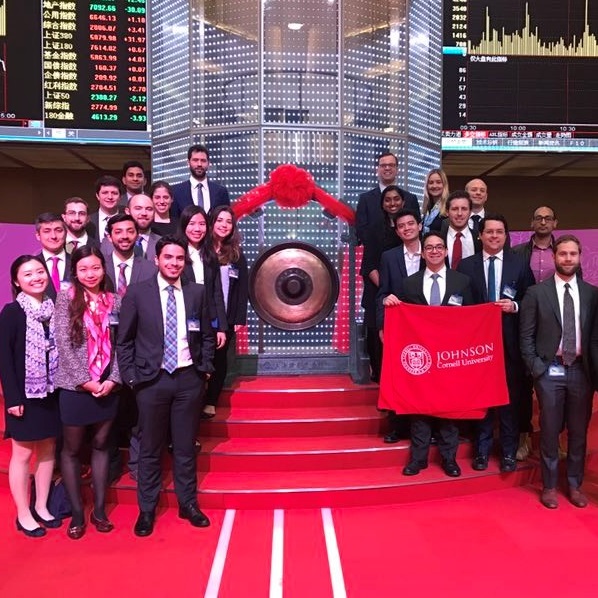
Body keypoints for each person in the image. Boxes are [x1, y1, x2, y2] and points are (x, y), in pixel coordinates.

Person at [116, 236, 216, 537]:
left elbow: (207, 335)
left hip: (188, 379)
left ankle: (188, 504)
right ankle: (146, 509)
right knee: (150, 448)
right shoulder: (137, 293)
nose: (174, 263)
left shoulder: (197, 292)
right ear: (157, 260)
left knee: (185, 447)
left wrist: (205, 369)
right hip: (151, 381)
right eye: (168, 258)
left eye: (179, 259)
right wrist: (133, 379)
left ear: (185, 262)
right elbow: (125, 341)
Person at [520, 235, 598, 509]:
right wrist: (537, 369)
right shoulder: (536, 293)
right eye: (562, 253)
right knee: (550, 431)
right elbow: (526, 337)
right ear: (554, 256)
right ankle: (550, 485)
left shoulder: (592, 294)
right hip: (549, 371)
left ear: (579, 257)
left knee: (578, 432)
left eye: (572, 254)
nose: (567, 258)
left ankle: (575, 484)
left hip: (581, 372)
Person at [458, 214, 535, 473]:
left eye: (499, 232)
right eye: (488, 232)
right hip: (478, 346)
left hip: (510, 345)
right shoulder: (466, 266)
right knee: (482, 398)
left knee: (510, 401)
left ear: (505, 235)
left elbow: (531, 300)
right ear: (480, 236)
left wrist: (514, 305)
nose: (493, 236)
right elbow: (458, 303)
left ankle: (509, 453)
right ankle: (481, 451)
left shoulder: (520, 263)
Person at [54, 246, 121, 539]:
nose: (90, 274)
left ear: (103, 268)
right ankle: (78, 514)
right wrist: (85, 381)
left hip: (108, 385)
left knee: (102, 445)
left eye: (95, 268)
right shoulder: (66, 298)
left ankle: (100, 510)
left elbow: (123, 344)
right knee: (71, 450)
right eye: (83, 269)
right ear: (75, 271)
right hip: (75, 386)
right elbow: (63, 345)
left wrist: (114, 379)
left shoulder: (114, 300)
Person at [400, 232, 474, 477]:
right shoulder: (409, 283)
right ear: (422, 253)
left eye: (438, 247)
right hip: (421, 357)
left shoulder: (462, 282)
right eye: (429, 247)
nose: (433, 251)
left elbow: (472, 318)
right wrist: (390, 303)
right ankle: (418, 459)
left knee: (448, 408)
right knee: (419, 406)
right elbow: (402, 319)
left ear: (445, 251)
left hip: (450, 358)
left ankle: (449, 459)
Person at [0, 255, 62, 537]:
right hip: (23, 396)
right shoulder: (12, 312)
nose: (36, 277)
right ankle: (23, 513)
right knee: (23, 453)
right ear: (16, 281)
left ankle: (41, 506)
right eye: (28, 274)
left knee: (48, 449)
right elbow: (4, 359)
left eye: (40, 271)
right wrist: (12, 399)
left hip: (51, 392)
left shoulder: (54, 308)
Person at [512, 205, 559, 460]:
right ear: (532, 223)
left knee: (554, 387)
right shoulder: (518, 253)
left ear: (555, 223)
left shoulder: (562, 252)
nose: (543, 222)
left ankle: (554, 441)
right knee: (523, 386)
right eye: (538, 218)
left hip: (555, 327)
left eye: (547, 218)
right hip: (525, 323)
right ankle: (524, 437)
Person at [376, 208, 425, 443]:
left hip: (427, 327)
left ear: (419, 225)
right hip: (399, 326)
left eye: (410, 224)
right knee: (399, 376)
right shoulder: (389, 257)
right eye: (402, 226)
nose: (407, 228)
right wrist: (382, 323)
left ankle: (427, 428)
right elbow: (382, 293)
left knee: (425, 376)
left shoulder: (433, 250)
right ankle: (397, 426)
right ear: (397, 231)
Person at [202, 206, 248, 419]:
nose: (223, 225)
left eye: (228, 222)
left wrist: (239, 318)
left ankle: (211, 401)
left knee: (220, 359)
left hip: (226, 316)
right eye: (220, 220)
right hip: (201, 313)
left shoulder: (236, 254)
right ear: (211, 222)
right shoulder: (201, 249)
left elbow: (242, 289)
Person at [360, 186, 405, 383]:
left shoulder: (408, 226)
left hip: (404, 293)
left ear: (403, 202)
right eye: (388, 200)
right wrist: (387, 289)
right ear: (382, 204)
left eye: (396, 199)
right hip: (377, 290)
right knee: (376, 334)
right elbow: (368, 265)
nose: (392, 203)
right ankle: (379, 376)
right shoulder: (374, 228)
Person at [178, 205, 228, 350]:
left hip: (209, 320)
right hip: (183, 319)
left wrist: (221, 327)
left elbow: (217, 293)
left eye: (202, 224)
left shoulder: (210, 255)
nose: (197, 229)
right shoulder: (177, 254)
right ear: (184, 225)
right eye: (192, 224)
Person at [355, 152, 421, 244]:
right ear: (377, 170)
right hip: (375, 256)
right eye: (383, 165)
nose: (387, 168)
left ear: (397, 170)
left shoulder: (410, 199)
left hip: (404, 254)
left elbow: (417, 230)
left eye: (391, 165)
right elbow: (361, 231)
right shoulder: (365, 199)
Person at [170, 144, 230, 217]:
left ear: (208, 163)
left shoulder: (221, 192)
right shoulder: (176, 191)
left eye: (203, 161)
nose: (199, 164)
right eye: (195, 160)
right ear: (188, 163)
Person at [440, 191, 481, 269]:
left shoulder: (480, 239)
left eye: (464, 209)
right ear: (447, 212)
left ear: (470, 212)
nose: (459, 213)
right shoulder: (439, 239)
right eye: (455, 209)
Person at [35, 212, 69, 301]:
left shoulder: (77, 263)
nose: (53, 236)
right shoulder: (31, 265)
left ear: (66, 233)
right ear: (38, 235)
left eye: (58, 230)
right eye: (47, 231)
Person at [88, 175, 122, 241]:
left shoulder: (128, 220)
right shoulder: (88, 221)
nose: (110, 197)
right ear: (97, 196)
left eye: (114, 193)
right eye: (105, 193)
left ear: (120, 197)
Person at [421, 168, 449, 234]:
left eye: (438, 182)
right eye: (431, 183)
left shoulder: (449, 206)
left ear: (444, 185)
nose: (434, 186)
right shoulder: (428, 208)